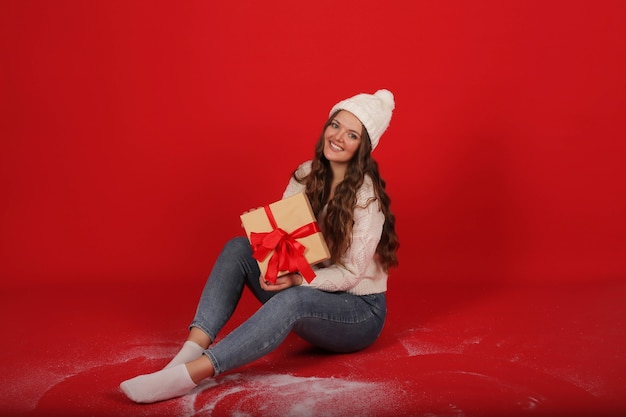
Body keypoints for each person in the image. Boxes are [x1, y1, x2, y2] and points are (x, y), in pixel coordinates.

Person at [120, 89, 400, 403]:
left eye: (352, 135)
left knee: (295, 298)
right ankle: (186, 354)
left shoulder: (367, 198)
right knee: (239, 248)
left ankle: (191, 375)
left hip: (358, 313)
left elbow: (349, 274)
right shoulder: (306, 174)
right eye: (335, 125)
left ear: (363, 148)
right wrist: (274, 264)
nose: (337, 137)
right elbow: (286, 240)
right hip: (311, 290)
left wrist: (295, 279)